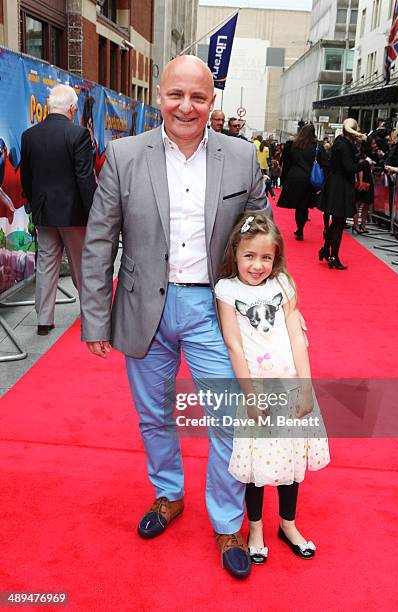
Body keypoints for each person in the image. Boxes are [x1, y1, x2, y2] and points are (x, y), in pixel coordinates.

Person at [80, 55, 271, 580]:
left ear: (214, 102)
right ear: (158, 96)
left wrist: (270, 308)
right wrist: (94, 318)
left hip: (216, 310)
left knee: (228, 419)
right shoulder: (122, 155)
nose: (186, 107)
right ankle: (168, 494)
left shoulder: (240, 157)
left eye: (199, 97)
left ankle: (228, 520)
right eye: (175, 95)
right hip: (144, 307)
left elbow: (263, 233)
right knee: (153, 416)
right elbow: (99, 242)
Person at [215, 212, 329, 564]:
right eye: (249, 256)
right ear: (235, 252)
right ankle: (256, 526)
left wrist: (306, 387)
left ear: (276, 256)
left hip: (290, 385)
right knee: (257, 467)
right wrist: (250, 395)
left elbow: (297, 337)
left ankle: (288, 524)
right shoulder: (227, 290)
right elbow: (234, 345)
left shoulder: (284, 286)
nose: (257, 265)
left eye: (266, 257)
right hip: (258, 390)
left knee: (290, 462)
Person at [20, 84, 96, 335]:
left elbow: (26, 178)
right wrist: (94, 212)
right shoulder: (79, 134)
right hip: (73, 215)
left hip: (44, 213)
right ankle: (90, 318)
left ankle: (44, 320)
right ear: (73, 108)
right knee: (81, 267)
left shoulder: (29, 135)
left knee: (46, 266)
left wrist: (34, 204)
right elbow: (85, 179)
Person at [318, 118, 368, 270]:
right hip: (340, 185)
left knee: (337, 221)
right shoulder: (343, 145)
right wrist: (364, 165)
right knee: (339, 222)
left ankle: (327, 250)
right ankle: (333, 256)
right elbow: (349, 167)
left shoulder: (341, 143)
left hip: (337, 183)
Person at [278, 124, 328, 241]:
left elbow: (286, 163)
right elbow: (326, 164)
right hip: (309, 179)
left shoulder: (293, 146)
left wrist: (284, 180)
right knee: (303, 205)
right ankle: (300, 229)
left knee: (299, 206)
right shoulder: (317, 147)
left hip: (294, 177)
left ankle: (299, 229)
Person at [353, 144, 374, 234]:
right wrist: (361, 182)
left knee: (366, 204)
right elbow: (360, 170)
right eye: (372, 144)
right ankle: (356, 224)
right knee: (358, 203)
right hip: (363, 181)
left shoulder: (371, 156)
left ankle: (362, 224)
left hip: (368, 181)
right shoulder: (360, 157)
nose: (374, 145)